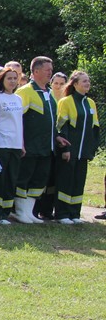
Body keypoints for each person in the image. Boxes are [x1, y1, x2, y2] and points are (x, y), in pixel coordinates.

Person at [14, 56, 57, 224]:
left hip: (46, 147)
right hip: (30, 146)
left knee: (39, 179)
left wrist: (57, 137)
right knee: (24, 178)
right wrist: (21, 142)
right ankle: (19, 211)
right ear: (36, 71)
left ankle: (29, 212)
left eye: (51, 69)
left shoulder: (49, 92)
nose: (50, 73)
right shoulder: (25, 91)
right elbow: (17, 118)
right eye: (47, 70)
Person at [55, 71, 99, 224]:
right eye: (84, 81)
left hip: (84, 151)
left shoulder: (91, 103)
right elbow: (61, 127)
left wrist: (92, 149)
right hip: (70, 151)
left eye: (88, 81)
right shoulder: (66, 101)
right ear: (75, 84)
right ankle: (62, 214)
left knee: (79, 182)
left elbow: (95, 128)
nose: (87, 83)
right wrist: (65, 149)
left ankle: (75, 213)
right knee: (66, 181)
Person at [0, 68, 25, 224]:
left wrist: (22, 144)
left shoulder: (18, 98)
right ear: (2, 80)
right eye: (9, 78)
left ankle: (4, 213)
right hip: (2, 144)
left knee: (11, 179)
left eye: (15, 78)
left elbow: (19, 123)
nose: (12, 81)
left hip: (15, 145)